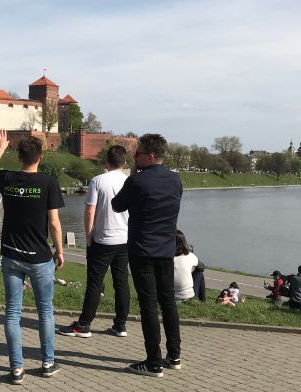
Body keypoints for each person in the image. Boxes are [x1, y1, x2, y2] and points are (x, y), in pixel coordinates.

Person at [0, 130, 65, 384]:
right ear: (40, 157)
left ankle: (17, 369)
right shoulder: (49, 182)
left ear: (18, 156)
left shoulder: (7, 179)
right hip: (40, 257)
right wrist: (60, 250)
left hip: (11, 254)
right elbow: (53, 222)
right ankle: (48, 362)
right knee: (45, 312)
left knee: (12, 314)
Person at [111, 133, 182, 378]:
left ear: (150, 156)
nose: (134, 158)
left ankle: (153, 361)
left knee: (148, 305)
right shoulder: (176, 180)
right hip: (166, 249)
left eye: (137, 154)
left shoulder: (137, 182)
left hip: (142, 250)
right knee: (168, 301)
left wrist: (132, 178)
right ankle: (174, 355)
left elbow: (117, 205)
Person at [59, 144, 130, 338]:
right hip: (124, 239)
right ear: (124, 162)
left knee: (95, 283)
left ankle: (84, 325)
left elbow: (90, 210)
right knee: (121, 282)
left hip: (103, 239)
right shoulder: (131, 181)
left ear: (107, 162)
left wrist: (88, 234)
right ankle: (120, 324)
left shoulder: (98, 181)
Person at [172, 229, 198, 302]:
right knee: (199, 272)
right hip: (187, 294)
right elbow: (200, 266)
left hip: (166, 293)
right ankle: (200, 297)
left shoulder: (164, 256)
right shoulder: (191, 256)